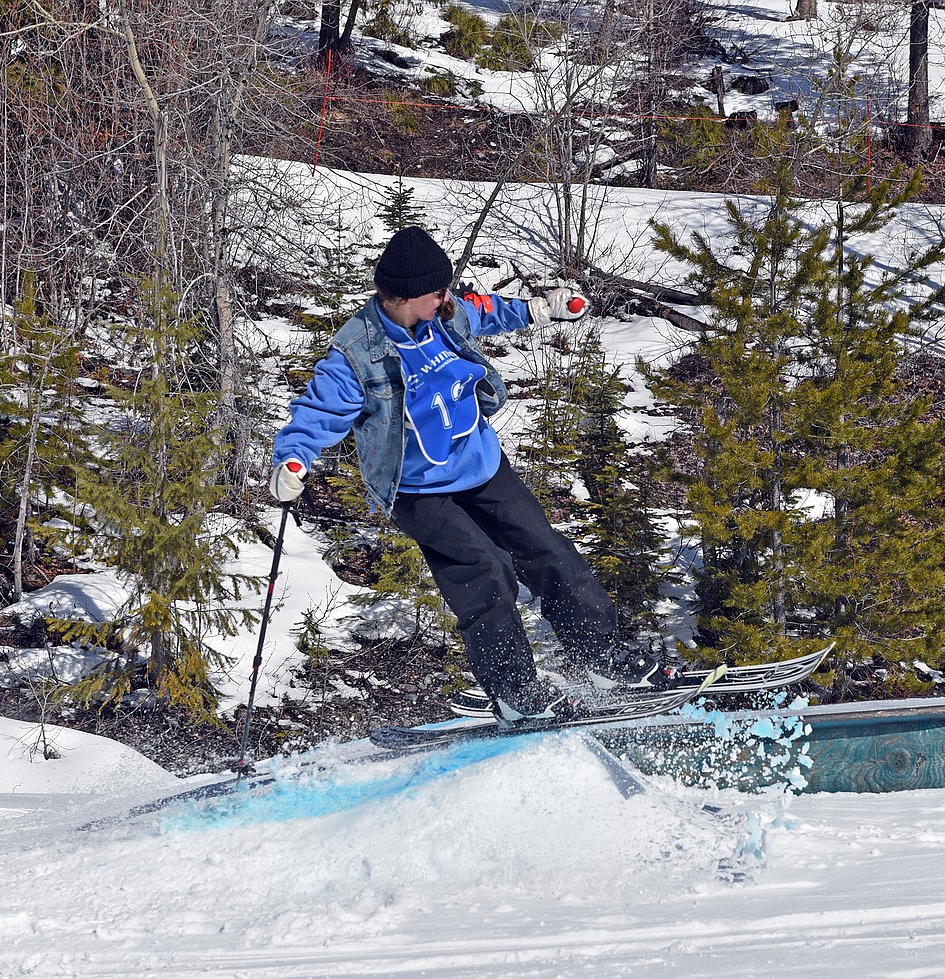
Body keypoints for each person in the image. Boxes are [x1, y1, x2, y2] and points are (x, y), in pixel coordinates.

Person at [269, 226, 679, 724]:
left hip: (481, 465)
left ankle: (601, 660)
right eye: (437, 291)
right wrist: (293, 460)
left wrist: (540, 308)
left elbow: (486, 310)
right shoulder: (357, 353)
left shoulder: (445, 313)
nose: (448, 297)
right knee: (484, 569)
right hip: (418, 491)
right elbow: (317, 411)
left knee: (548, 551)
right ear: (402, 295)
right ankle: (514, 692)